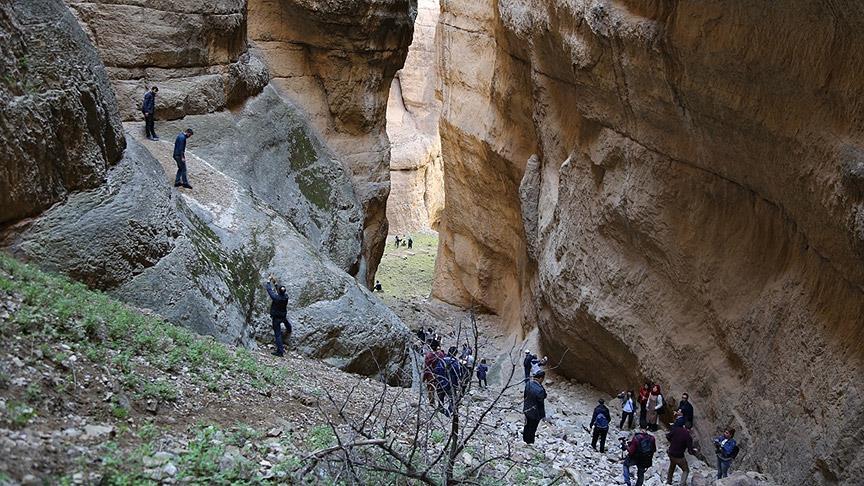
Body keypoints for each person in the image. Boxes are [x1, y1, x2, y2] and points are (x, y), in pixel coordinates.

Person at [666, 417, 699, 485]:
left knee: (672, 466)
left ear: (684, 426)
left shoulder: (676, 429)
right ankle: (682, 484)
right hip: (679, 456)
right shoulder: (688, 437)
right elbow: (690, 451)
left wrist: (672, 442)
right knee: (686, 470)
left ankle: (668, 481)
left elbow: (668, 436)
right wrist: (695, 451)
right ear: (691, 429)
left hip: (670, 452)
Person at [264, 275, 291, 357]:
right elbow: (280, 291)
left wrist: (268, 281)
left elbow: (269, 290)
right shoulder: (286, 297)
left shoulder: (276, 298)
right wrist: (275, 283)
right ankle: (289, 329)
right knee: (286, 322)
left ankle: (280, 351)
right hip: (283, 315)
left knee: (278, 334)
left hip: (276, 317)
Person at [522, 370, 547, 444]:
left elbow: (525, 396)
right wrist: (543, 416)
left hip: (527, 409)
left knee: (527, 425)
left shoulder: (528, 383)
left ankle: (524, 440)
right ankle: (530, 442)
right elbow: (541, 403)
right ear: (541, 378)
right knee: (532, 428)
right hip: (535, 413)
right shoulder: (540, 390)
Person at [423, 341, 445, 406]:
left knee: (430, 390)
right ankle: (440, 404)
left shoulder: (428, 355)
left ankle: (432, 403)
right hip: (439, 375)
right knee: (439, 390)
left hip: (430, 375)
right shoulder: (441, 354)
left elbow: (426, 367)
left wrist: (424, 378)